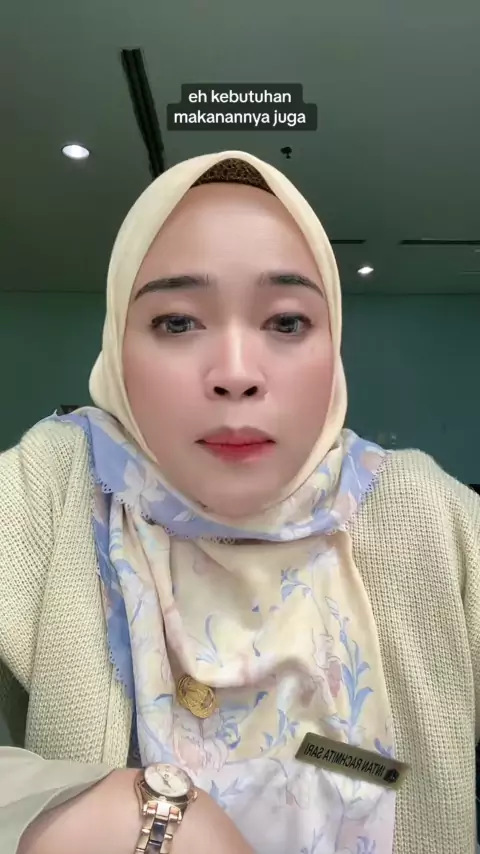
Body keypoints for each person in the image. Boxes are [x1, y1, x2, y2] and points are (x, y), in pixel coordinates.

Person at [0, 150, 478, 854]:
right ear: (118, 344)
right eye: (176, 322)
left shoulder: (426, 514)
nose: (234, 374)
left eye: (285, 323)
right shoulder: (50, 488)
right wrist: (81, 810)